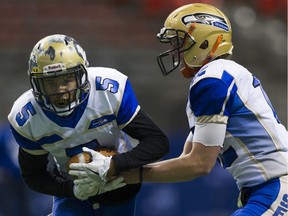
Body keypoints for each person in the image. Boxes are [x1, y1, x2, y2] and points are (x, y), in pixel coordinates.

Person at [122, 3, 288, 216]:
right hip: (268, 187)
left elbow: (199, 164)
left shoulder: (212, 80)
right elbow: (187, 161)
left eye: (179, 42)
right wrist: (127, 168)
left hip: (275, 185)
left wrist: (133, 175)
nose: (174, 50)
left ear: (204, 40)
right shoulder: (217, 76)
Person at [7, 34, 169, 216]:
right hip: (73, 192)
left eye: (66, 79)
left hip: (118, 185)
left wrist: (113, 165)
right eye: (51, 83)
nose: (60, 90)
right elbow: (33, 175)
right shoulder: (27, 116)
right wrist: (72, 190)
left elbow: (157, 142)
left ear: (82, 74)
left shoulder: (109, 89)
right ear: (36, 83)